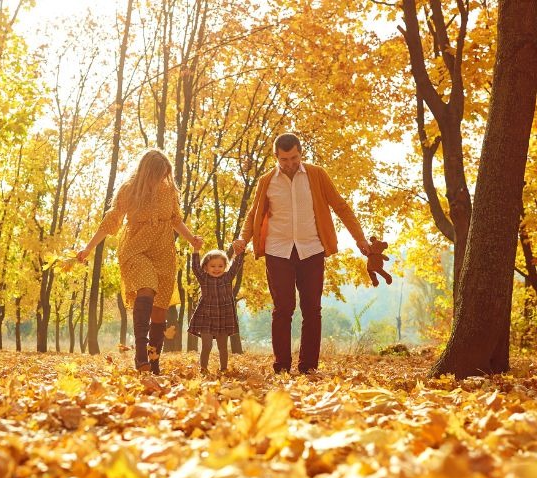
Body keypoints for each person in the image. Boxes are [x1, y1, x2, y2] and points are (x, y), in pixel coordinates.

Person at [232, 133, 370, 375]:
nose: (290, 164)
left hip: (311, 249)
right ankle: (282, 366)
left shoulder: (317, 175)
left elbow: (341, 206)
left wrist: (360, 239)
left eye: (294, 157)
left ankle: (308, 367)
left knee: (312, 309)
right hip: (278, 251)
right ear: (276, 157)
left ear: (300, 153)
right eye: (284, 159)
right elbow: (254, 214)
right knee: (282, 309)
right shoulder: (267, 181)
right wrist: (244, 238)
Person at [76, 149, 202, 374]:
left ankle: (153, 363)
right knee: (146, 288)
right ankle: (141, 356)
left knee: (160, 311)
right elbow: (111, 222)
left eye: (165, 174)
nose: (162, 179)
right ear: (147, 172)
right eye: (158, 174)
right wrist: (88, 248)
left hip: (163, 252)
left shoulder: (169, 191)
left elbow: (175, 220)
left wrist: (191, 238)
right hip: (135, 249)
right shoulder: (129, 190)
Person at [188, 245, 245, 374]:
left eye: (220, 266)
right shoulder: (204, 278)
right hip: (206, 316)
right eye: (213, 266)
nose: (216, 269)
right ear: (206, 267)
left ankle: (223, 369)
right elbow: (195, 268)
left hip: (224, 316)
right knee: (206, 346)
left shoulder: (227, 277)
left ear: (225, 267)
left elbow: (236, 266)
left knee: (223, 347)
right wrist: (196, 250)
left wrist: (239, 253)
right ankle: (203, 369)